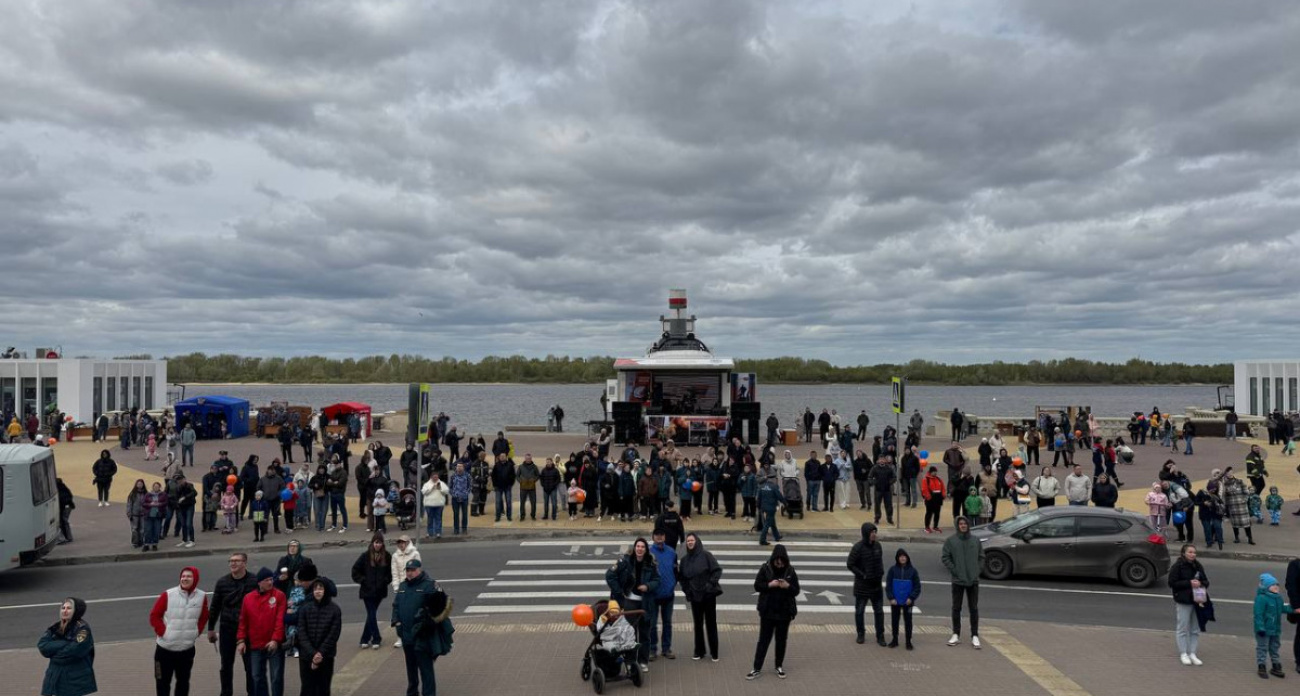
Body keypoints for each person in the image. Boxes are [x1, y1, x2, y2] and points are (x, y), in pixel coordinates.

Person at [391, 559, 454, 696]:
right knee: (411, 668)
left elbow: (442, 605)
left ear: (419, 570)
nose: (410, 573)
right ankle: (412, 692)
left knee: (426, 669)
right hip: (406, 635)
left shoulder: (430, 585)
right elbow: (396, 606)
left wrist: (430, 622)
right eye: (408, 570)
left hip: (422, 636)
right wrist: (396, 622)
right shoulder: (403, 586)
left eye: (413, 570)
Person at [150, 566, 210, 696]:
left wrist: (196, 632)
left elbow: (204, 616)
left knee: (183, 683)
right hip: (164, 650)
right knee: (161, 682)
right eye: (183, 576)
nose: (185, 578)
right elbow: (154, 615)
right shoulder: (168, 594)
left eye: (189, 576)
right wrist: (164, 633)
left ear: (195, 579)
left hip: (186, 651)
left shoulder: (201, 596)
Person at [605, 537, 660, 671]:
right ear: (634, 548)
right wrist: (619, 593)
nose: (640, 549)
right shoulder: (625, 561)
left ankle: (643, 661)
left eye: (642, 547)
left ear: (646, 549)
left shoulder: (651, 563)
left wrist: (648, 586)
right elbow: (610, 576)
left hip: (646, 603)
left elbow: (657, 580)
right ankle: (630, 661)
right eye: (638, 546)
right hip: (629, 602)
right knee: (630, 633)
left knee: (645, 634)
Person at [209, 553, 258, 696]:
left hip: (248, 630)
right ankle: (226, 692)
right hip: (227, 629)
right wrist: (211, 628)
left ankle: (252, 692)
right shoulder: (222, 582)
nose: (233, 564)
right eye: (230, 561)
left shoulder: (254, 581)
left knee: (250, 666)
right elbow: (215, 607)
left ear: (245, 563)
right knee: (226, 665)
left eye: (236, 561)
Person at [748, 544, 799, 680]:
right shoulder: (765, 569)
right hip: (768, 612)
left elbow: (796, 590)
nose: (779, 563)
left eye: (782, 560)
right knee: (763, 641)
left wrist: (787, 586)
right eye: (777, 560)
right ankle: (756, 668)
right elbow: (757, 586)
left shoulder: (790, 571)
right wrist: (769, 585)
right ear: (773, 559)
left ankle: (779, 666)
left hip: (784, 613)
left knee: (781, 640)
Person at [236, 568, 286, 696]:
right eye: (267, 580)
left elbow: (280, 621)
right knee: (257, 676)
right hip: (256, 645)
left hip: (274, 645)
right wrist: (241, 640)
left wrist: (275, 639)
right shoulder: (248, 598)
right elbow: (243, 621)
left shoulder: (279, 596)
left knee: (276, 678)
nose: (270, 582)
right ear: (259, 582)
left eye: (271, 579)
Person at [38, 597, 96, 696]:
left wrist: (54, 652)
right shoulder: (55, 627)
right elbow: (42, 646)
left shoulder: (82, 629)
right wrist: (64, 643)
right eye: (63, 608)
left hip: (72, 680)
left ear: (76, 611)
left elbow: (73, 651)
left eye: (69, 608)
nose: (65, 611)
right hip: (54, 678)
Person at [679, 532, 723, 662]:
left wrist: (710, 585)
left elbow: (717, 570)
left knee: (711, 624)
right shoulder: (684, 560)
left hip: (708, 595)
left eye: (692, 540)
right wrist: (687, 591)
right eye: (688, 541)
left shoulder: (706, 555)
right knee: (697, 624)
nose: (690, 543)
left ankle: (714, 652)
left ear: (697, 542)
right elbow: (682, 578)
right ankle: (699, 651)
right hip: (694, 596)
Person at [941, 516, 984, 649]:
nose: (963, 525)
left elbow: (981, 557)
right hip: (958, 580)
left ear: (968, 525)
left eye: (965, 523)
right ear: (957, 525)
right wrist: (955, 570)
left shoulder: (975, 540)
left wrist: (977, 570)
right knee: (956, 608)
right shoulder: (951, 541)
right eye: (961, 524)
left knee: (973, 608)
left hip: (973, 580)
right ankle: (955, 634)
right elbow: (945, 557)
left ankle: (975, 635)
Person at [296, 578, 342, 696]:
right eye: (315, 588)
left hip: (326, 656)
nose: (318, 591)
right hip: (306, 656)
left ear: (325, 590)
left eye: (321, 588)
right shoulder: (305, 608)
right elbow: (301, 632)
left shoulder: (334, 610)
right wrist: (313, 653)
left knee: (323, 688)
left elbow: (333, 634)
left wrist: (320, 653)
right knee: (307, 688)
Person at [351, 533, 393, 649]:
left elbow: (391, 573)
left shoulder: (387, 556)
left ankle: (364, 638)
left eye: (379, 543)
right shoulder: (365, 556)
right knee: (372, 613)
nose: (377, 545)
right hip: (367, 591)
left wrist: (385, 581)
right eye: (376, 542)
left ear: (382, 544)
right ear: (372, 543)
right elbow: (355, 570)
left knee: (371, 614)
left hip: (380, 591)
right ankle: (376, 638)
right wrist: (363, 580)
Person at [1168, 544, 1207, 666]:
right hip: (1184, 600)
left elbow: (1206, 581)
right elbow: (1172, 583)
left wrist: (1200, 582)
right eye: (1190, 552)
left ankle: (1192, 653)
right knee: (1183, 628)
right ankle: (1183, 653)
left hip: (1197, 600)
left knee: (1195, 629)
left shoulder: (1198, 565)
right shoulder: (1178, 566)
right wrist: (1189, 583)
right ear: (1184, 553)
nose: (1192, 554)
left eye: (1194, 552)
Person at [847, 522, 885, 646]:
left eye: (875, 532)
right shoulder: (858, 547)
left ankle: (880, 635)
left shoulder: (878, 546)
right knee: (859, 611)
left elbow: (880, 562)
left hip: (876, 585)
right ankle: (860, 633)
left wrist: (880, 572)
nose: (874, 535)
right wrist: (862, 575)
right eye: (872, 532)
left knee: (879, 611)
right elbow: (850, 564)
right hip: (862, 585)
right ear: (866, 533)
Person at [646, 529, 678, 661]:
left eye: (662, 535)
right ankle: (652, 649)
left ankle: (666, 649)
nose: (659, 537)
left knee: (667, 623)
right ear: (653, 537)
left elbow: (676, 570)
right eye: (657, 535)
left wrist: (673, 583)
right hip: (653, 595)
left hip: (668, 594)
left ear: (665, 537)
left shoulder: (671, 552)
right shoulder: (648, 553)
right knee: (652, 624)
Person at [1254, 572, 1292, 678]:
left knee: (1274, 647)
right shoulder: (1261, 598)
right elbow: (1258, 615)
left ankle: (1276, 666)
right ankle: (1261, 666)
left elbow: (1283, 608)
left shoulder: (1278, 598)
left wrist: (1294, 609)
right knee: (1262, 647)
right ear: (1266, 587)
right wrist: (1260, 628)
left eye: (1277, 585)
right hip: (1264, 630)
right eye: (1273, 585)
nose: (1276, 587)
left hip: (1275, 629)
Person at [884, 548, 921, 650]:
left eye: (904, 556)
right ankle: (894, 639)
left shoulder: (913, 571)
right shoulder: (892, 570)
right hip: (895, 601)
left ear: (907, 558)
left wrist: (911, 598)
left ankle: (908, 641)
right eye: (900, 556)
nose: (903, 558)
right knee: (894, 621)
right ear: (897, 558)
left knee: (908, 621)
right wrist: (891, 598)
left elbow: (917, 587)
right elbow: (889, 585)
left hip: (908, 601)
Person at [389, 535, 422, 648]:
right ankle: (400, 637)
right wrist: (396, 586)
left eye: (403, 542)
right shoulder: (395, 556)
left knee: (413, 611)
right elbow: (394, 572)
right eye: (399, 542)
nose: (401, 544)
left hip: (413, 586)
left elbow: (418, 570)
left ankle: (415, 634)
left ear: (408, 543)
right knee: (400, 612)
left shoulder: (414, 553)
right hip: (401, 589)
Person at [421, 472, 449, 540]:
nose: (435, 478)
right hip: (429, 504)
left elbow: (446, 492)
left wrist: (440, 489)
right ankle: (430, 532)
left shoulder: (441, 483)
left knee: (438, 519)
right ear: (431, 477)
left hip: (439, 504)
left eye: (436, 477)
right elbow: (424, 492)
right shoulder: (427, 484)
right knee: (430, 519)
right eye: (434, 477)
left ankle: (438, 532)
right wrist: (431, 488)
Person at [756, 475, 782, 546]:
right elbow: (779, 496)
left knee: (772, 522)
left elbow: (759, 498)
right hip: (771, 507)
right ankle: (762, 540)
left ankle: (777, 536)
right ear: (773, 480)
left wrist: (758, 507)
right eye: (775, 479)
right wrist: (786, 503)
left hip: (763, 507)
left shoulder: (762, 486)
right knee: (767, 524)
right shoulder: (774, 487)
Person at [920, 466, 946, 533]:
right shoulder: (926, 479)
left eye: (936, 472)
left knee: (937, 513)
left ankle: (935, 526)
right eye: (934, 472)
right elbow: (924, 489)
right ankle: (927, 527)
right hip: (930, 500)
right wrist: (929, 497)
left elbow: (943, 488)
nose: (935, 473)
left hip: (938, 499)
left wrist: (943, 495)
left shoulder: (939, 479)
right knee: (929, 513)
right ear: (931, 472)